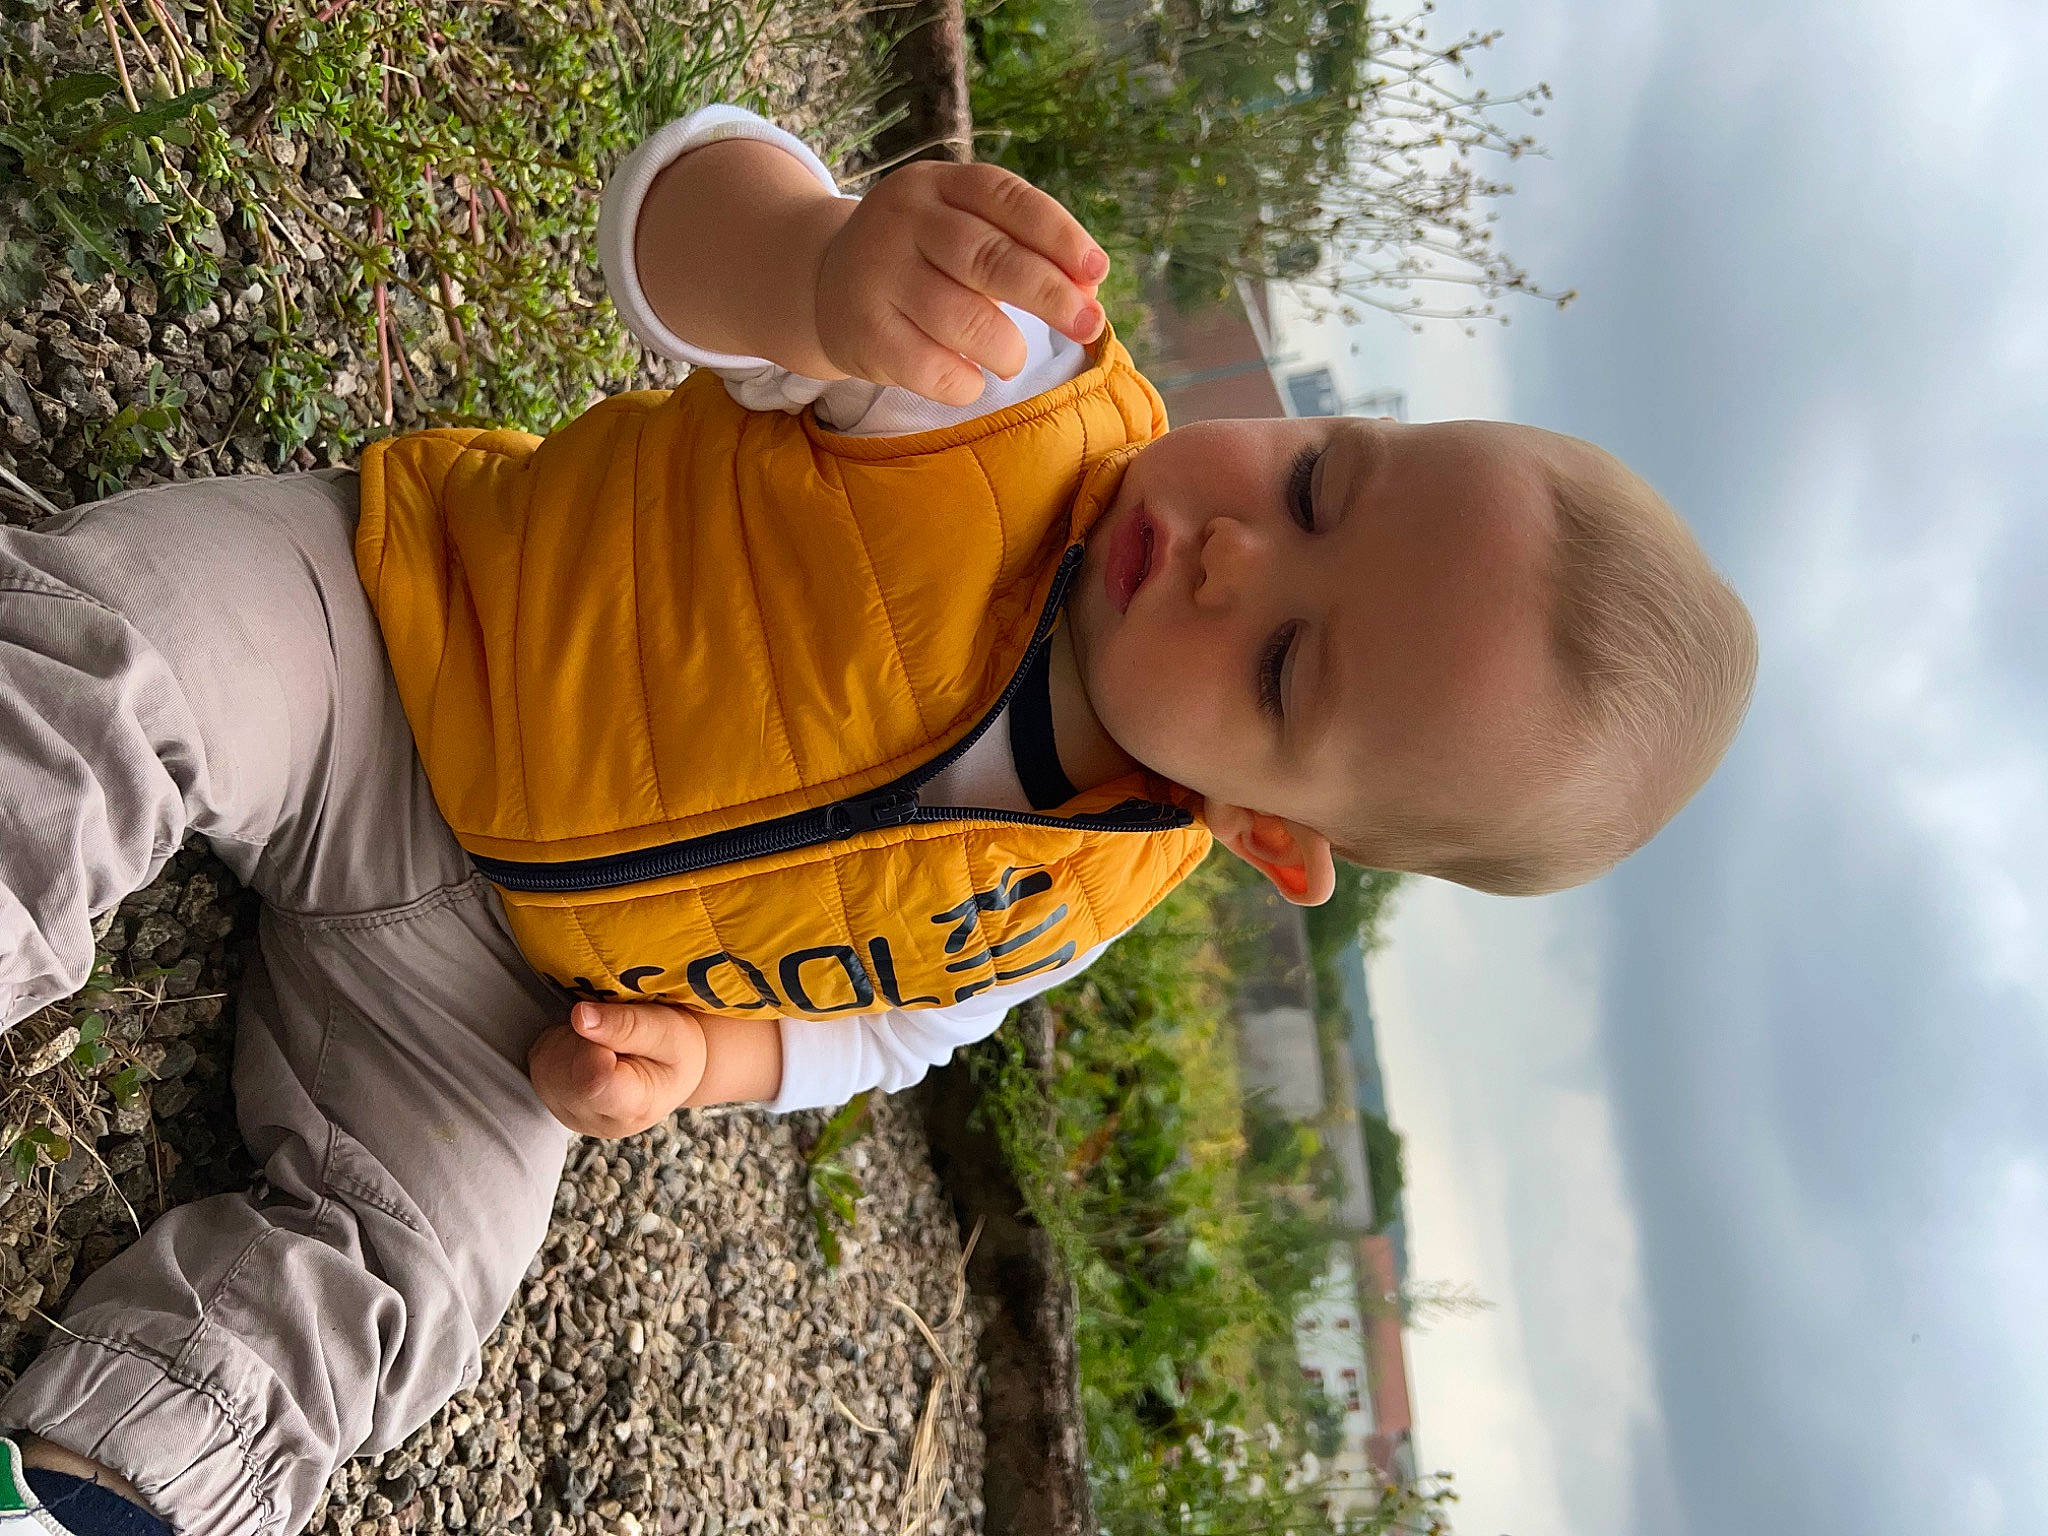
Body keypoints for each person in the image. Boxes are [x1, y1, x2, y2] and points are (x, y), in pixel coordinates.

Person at [0, 103, 1756, 1536]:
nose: (1235, 552)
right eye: (1317, 483)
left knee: (418, 1282)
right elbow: (679, 204)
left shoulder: (1104, 877)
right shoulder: (1002, 391)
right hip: (390, 635)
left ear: (1274, 835)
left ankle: (109, 1486)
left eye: (1291, 666)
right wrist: (808, 262)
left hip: (487, 992)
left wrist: (715, 1063)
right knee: (125, 657)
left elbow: (908, 1019)